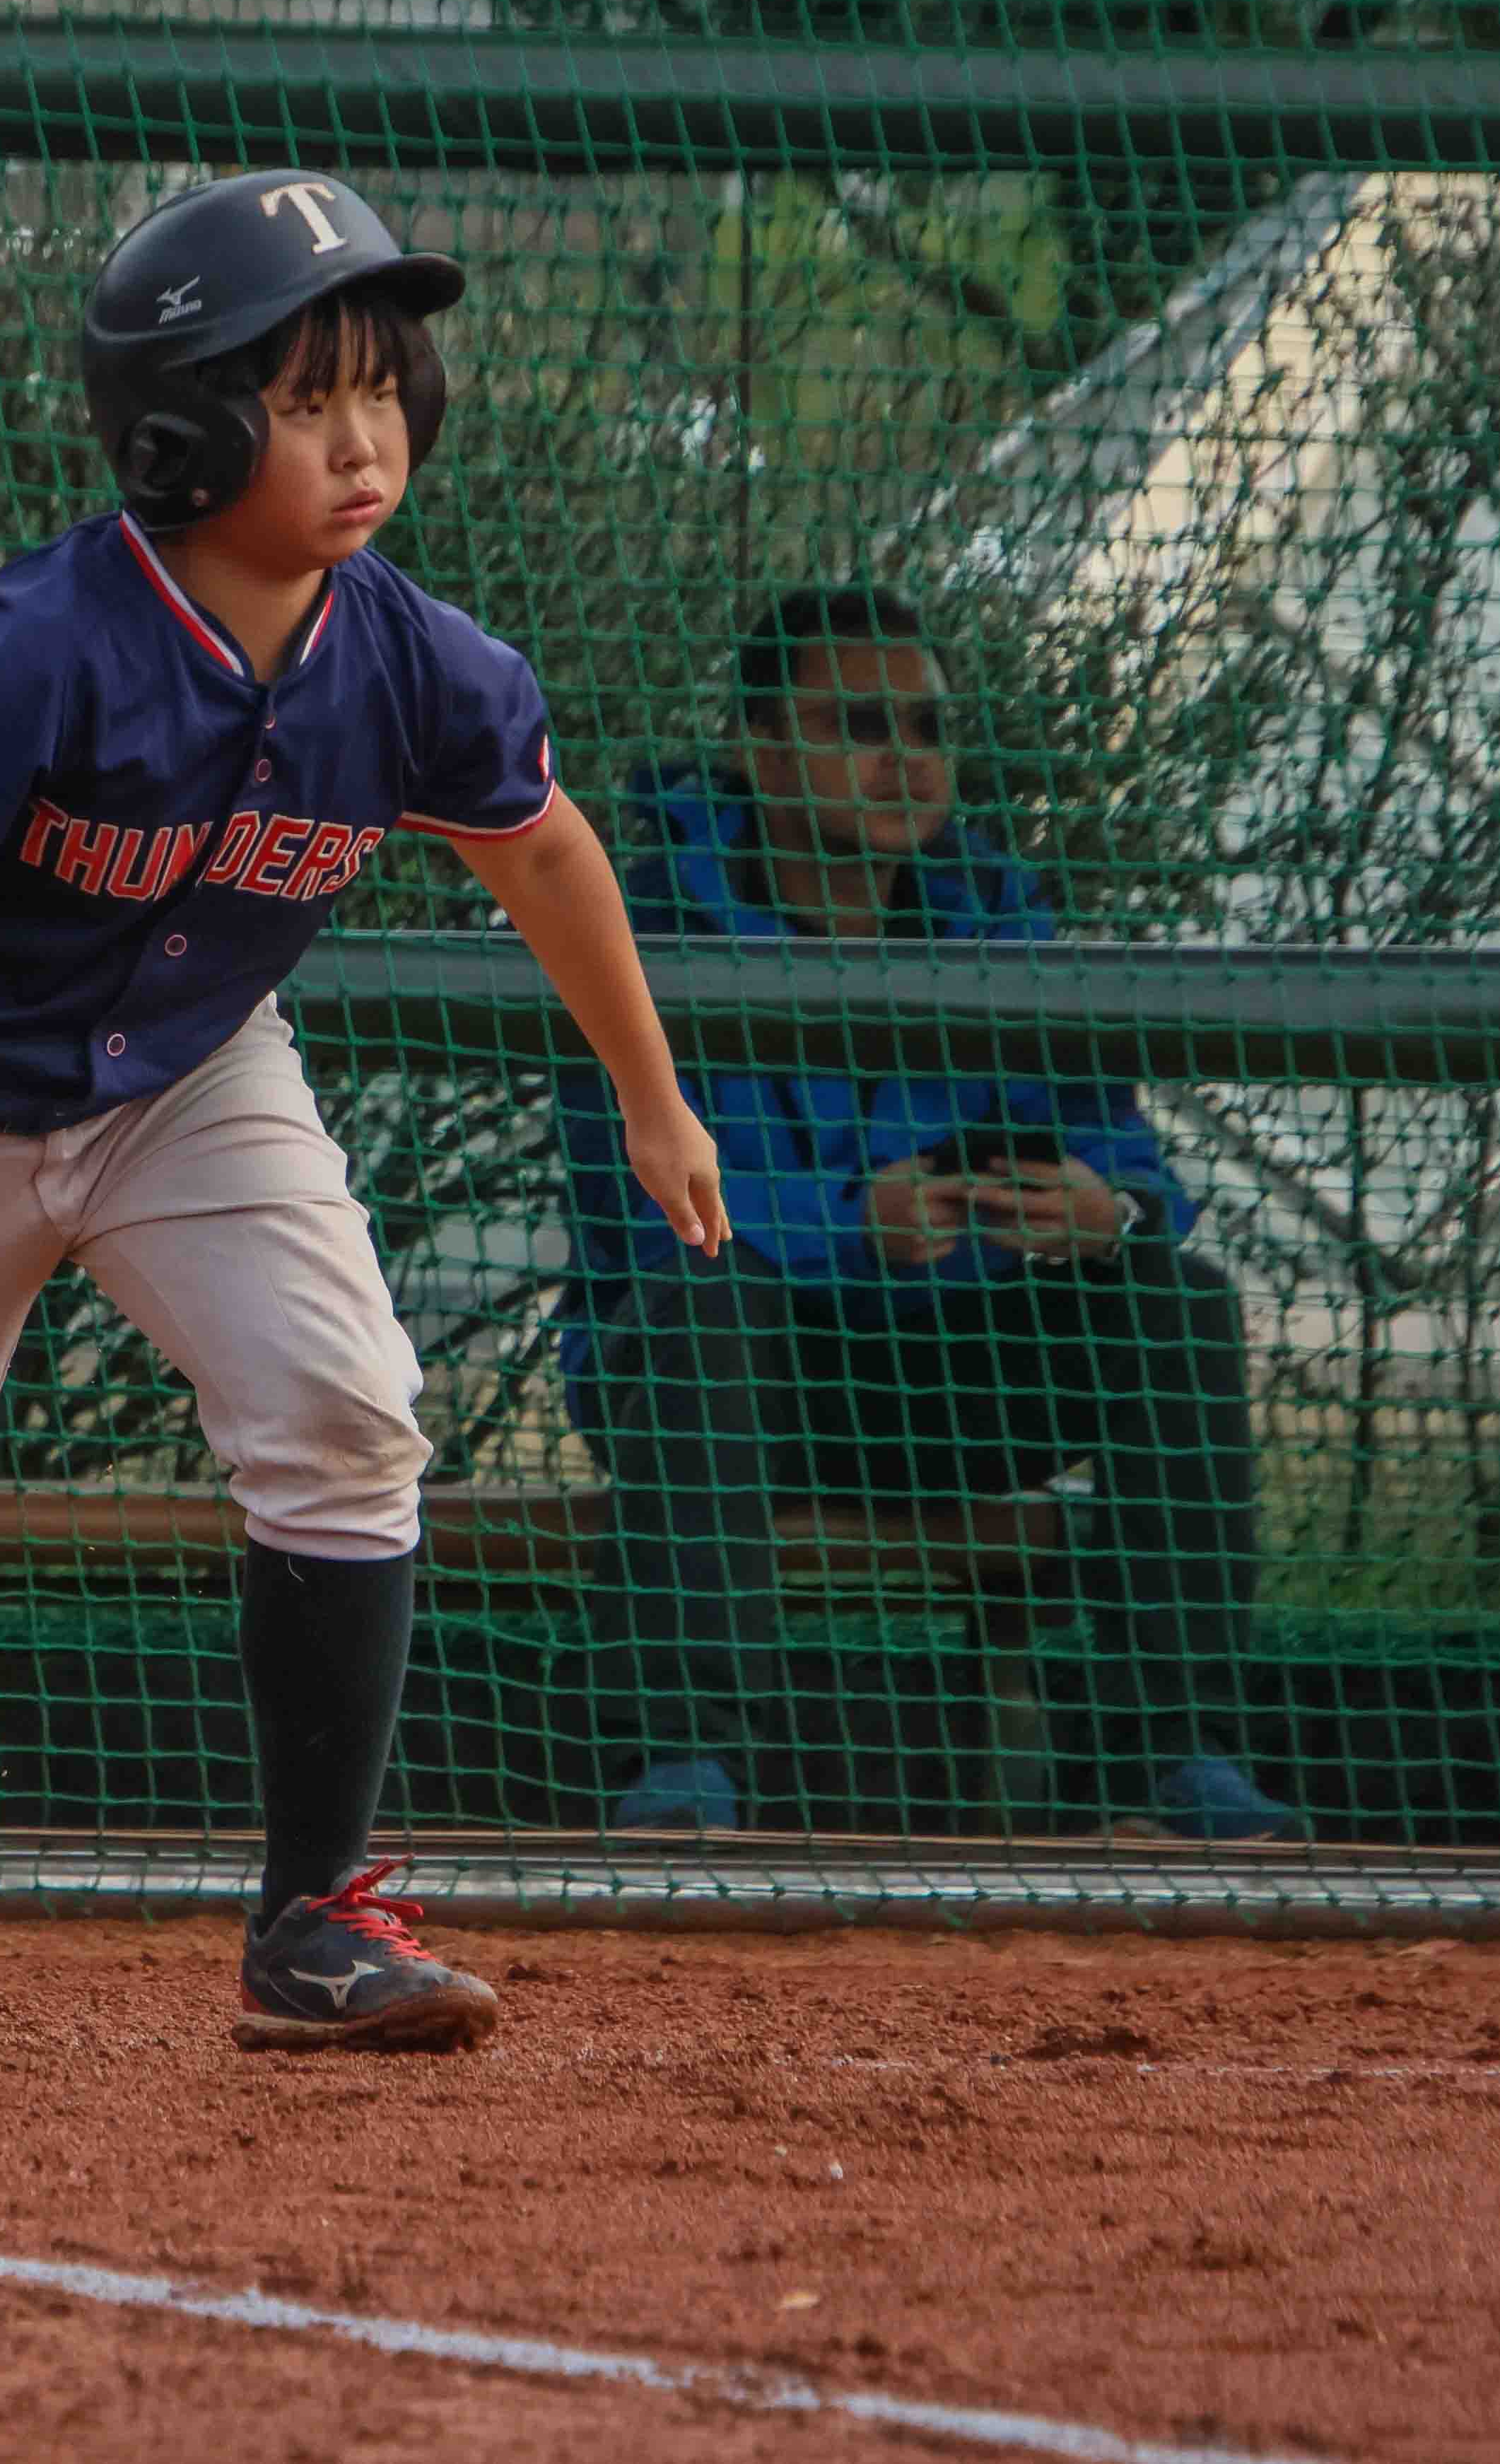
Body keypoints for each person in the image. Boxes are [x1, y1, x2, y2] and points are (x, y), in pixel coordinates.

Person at [0, 172, 729, 2055]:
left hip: (190, 1079)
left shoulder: (414, 660)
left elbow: (540, 847)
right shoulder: (34, 651)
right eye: (304, 400)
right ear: (178, 433)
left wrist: (651, 1093)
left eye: (385, 389)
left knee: (346, 1413)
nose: (364, 440)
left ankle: (314, 1918)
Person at [557, 588, 1304, 1843]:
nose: (906, 758)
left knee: (1175, 1300)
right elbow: (636, 1207)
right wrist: (856, 1228)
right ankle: (683, 1771)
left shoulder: (1002, 918)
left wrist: (1105, 1209)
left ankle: (1173, 1766)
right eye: (858, 724)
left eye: (927, 726)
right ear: (759, 749)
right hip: (742, 1393)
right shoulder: (636, 927)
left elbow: (1125, 1155)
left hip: (959, 1381)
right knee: (705, 1294)